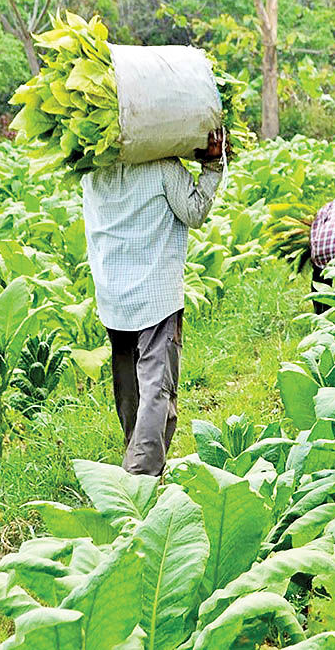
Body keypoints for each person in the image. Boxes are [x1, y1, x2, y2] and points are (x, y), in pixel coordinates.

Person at [83, 129, 229, 476]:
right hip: (155, 293)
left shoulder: (92, 173)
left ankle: (136, 453)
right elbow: (194, 212)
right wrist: (212, 167)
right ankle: (140, 478)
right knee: (156, 387)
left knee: (127, 383)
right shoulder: (162, 167)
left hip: (112, 293)